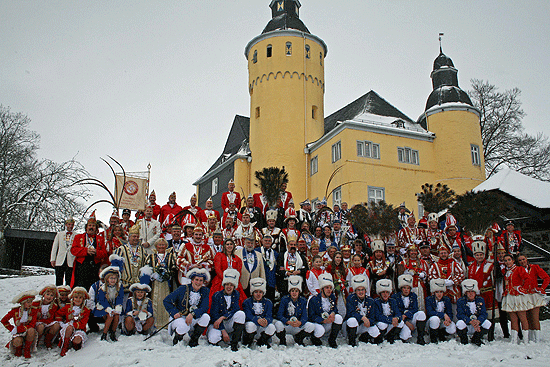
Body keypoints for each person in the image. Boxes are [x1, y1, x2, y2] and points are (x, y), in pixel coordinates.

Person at [164, 268, 211, 347]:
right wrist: (174, 312)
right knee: (184, 327)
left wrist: (192, 314)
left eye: (201, 280)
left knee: (206, 317)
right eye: (196, 279)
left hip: (193, 317)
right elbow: (167, 300)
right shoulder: (182, 289)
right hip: (181, 317)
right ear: (192, 280)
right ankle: (177, 339)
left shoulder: (205, 291)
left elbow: (204, 307)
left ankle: (194, 339)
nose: (198, 282)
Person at [208, 269, 246, 351]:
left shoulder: (236, 294)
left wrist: (223, 317)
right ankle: (222, 339)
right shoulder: (217, 295)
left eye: (231, 285)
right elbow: (214, 314)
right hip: (217, 323)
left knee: (241, 314)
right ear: (224, 285)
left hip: (227, 320)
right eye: (227, 284)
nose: (229, 287)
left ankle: (234, 342)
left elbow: (235, 309)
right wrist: (222, 330)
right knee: (213, 338)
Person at [468, 238, 498, 340]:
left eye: (481, 254)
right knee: (478, 314)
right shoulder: (471, 267)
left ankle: (490, 334)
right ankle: (479, 333)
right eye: (477, 255)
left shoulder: (489, 265)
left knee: (489, 315)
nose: (479, 257)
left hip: (487, 293)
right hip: (476, 295)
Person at [71, 212, 108, 290]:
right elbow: (73, 250)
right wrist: (86, 251)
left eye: (93, 226)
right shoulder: (78, 237)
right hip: (81, 266)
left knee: (93, 287)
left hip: (94, 267)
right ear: (86, 227)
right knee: (80, 286)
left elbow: (104, 253)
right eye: (90, 225)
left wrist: (96, 252)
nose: (91, 227)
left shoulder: (100, 239)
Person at [274, 276, 315, 346]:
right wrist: (287, 321)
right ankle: (282, 340)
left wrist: (300, 322)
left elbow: (305, 316)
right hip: (287, 324)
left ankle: (299, 338)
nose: (294, 293)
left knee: (311, 326)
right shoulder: (284, 299)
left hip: (297, 325)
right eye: (292, 291)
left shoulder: (303, 300)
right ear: (289, 292)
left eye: (296, 291)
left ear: (299, 292)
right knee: (278, 324)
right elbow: (279, 315)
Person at [518, 254, 550, 343]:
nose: (522, 261)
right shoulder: (517, 270)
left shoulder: (534, 267)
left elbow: (546, 278)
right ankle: (529, 337)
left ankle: (537, 338)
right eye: (520, 260)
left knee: (534, 317)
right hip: (523, 295)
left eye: (523, 259)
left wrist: (542, 288)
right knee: (526, 317)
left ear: (526, 259)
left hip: (533, 295)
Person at [147, 238, 178, 328]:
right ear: (156, 246)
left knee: (166, 300)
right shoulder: (151, 256)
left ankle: (165, 322)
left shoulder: (170, 256)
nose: (161, 246)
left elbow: (174, 267)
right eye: (159, 245)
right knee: (155, 300)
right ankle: (155, 322)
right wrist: (153, 274)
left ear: (166, 246)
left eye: (163, 245)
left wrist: (168, 274)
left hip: (166, 284)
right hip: (155, 283)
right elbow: (147, 267)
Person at [307, 273, 343, 347]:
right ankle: (314, 338)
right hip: (318, 323)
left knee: (339, 318)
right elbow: (311, 316)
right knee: (320, 330)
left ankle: (332, 339)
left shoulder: (332, 297)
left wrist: (333, 313)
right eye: (327, 288)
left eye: (330, 288)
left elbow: (335, 309)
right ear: (322, 289)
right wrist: (322, 320)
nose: (329, 290)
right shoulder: (314, 299)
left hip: (328, 322)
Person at [501, 254, 531, 344]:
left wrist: (521, 288)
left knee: (522, 317)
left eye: (509, 260)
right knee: (513, 319)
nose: (507, 262)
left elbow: (527, 279)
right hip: (509, 296)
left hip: (518, 296)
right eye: (505, 261)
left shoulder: (519, 269)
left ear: (513, 260)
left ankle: (525, 340)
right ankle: (514, 339)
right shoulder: (506, 271)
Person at [209, 238, 247, 306]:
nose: (229, 246)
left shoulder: (237, 259)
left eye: (231, 244)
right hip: (221, 281)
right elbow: (218, 270)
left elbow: (239, 272)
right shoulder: (219, 255)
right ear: (224, 246)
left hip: (234, 282)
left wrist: (233, 281)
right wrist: (226, 280)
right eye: (227, 244)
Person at [345, 274, 380, 346]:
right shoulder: (350, 298)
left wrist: (369, 321)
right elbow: (350, 313)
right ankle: (352, 340)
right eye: (358, 290)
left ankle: (364, 338)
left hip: (363, 324)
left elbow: (373, 316)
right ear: (355, 291)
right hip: (352, 325)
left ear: (365, 290)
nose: (361, 292)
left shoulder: (370, 300)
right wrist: (362, 317)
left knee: (375, 331)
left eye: (362, 290)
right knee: (352, 320)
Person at [2, 290, 38, 358]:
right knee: (17, 340)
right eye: (28, 302)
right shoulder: (15, 311)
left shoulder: (33, 310)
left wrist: (21, 328)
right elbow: (4, 320)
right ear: (23, 303)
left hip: (27, 330)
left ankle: (27, 349)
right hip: (18, 332)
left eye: (31, 302)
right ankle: (18, 350)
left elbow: (32, 324)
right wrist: (12, 328)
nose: (30, 304)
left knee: (31, 330)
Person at [392, 274, 427, 344]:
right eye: (404, 288)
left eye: (408, 288)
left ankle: (420, 337)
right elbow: (396, 311)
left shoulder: (413, 296)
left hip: (410, 317)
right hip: (401, 320)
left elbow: (415, 309)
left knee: (421, 314)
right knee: (405, 335)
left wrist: (406, 315)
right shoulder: (395, 297)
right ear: (401, 288)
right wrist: (406, 322)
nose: (406, 290)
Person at [456, 279, 491, 346]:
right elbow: (460, 314)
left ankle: (476, 338)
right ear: (465, 293)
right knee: (459, 323)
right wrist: (470, 321)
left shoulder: (480, 300)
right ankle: (464, 339)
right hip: (467, 324)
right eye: (468, 292)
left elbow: (484, 313)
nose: (471, 294)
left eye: (472, 291)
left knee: (487, 323)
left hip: (477, 325)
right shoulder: (460, 301)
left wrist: (478, 321)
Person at [57, 287, 91, 356]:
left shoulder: (86, 310)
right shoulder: (68, 307)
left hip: (79, 329)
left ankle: (74, 344)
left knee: (77, 340)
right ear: (73, 298)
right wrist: (61, 323)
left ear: (83, 299)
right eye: (76, 297)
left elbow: (83, 324)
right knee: (69, 328)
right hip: (68, 328)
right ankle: (65, 347)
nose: (77, 299)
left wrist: (74, 324)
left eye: (80, 297)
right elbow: (58, 314)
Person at [242, 278, 276, 348]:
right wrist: (257, 320)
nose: (258, 294)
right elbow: (248, 315)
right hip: (252, 324)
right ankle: (249, 340)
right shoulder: (247, 302)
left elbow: (269, 315)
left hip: (262, 326)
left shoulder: (268, 302)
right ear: (252, 293)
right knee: (250, 325)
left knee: (272, 327)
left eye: (260, 292)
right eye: (256, 292)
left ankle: (263, 341)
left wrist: (266, 321)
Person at [95, 265, 125, 341]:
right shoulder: (103, 288)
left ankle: (113, 332)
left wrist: (118, 306)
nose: (113, 280)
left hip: (114, 305)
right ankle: (104, 333)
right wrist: (108, 308)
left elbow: (120, 297)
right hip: (104, 307)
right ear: (107, 279)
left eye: (115, 278)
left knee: (117, 315)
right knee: (110, 315)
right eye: (111, 278)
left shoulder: (119, 287)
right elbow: (102, 300)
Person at [115, 224, 148, 290]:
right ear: (129, 238)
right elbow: (116, 266)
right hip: (125, 283)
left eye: (137, 237)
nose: (136, 238)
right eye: (134, 236)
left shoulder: (142, 250)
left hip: (138, 284)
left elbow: (145, 264)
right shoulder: (121, 249)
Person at [123, 267, 155, 336]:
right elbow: (126, 312)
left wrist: (147, 313)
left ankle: (144, 330)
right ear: (135, 293)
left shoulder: (148, 301)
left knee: (151, 319)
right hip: (133, 319)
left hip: (143, 319)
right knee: (128, 319)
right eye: (138, 292)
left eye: (142, 292)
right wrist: (133, 313)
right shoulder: (130, 300)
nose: (140, 294)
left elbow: (151, 312)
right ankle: (130, 330)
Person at [398, 243, 428, 312]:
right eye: (411, 251)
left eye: (415, 251)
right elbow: (399, 276)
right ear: (408, 252)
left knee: (420, 303)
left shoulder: (423, 262)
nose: (413, 253)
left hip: (419, 286)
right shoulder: (403, 263)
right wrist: (406, 274)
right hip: (408, 286)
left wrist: (423, 275)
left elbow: (427, 275)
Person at [425, 278, 456, 343]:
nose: (439, 294)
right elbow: (430, 312)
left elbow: (449, 312)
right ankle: (433, 337)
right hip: (432, 321)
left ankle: (441, 334)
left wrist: (448, 320)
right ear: (434, 292)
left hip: (443, 320)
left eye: (441, 292)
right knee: (435, 319)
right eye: (437, 292)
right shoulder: (429, 299)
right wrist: (443, 315)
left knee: (452, 328)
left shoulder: (446, 299)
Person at [373, 279, 404, 344]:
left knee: (401, 323)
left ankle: (391, 336)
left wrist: (397, 318)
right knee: (382, 325)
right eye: (383, 292)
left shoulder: (393, 301)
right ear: (380, 293)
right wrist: (391, 319)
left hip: (391, 321)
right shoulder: (376, 302)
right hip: (381, 322)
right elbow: (378, 316)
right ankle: (379, 337)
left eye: (387, 292)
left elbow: (398, 313)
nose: (385, 294)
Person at [51, 217, 76, 286]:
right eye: (69, 224)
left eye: (72, 225)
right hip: (60, 260)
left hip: (71, 260)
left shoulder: (76, 235)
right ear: (66, 225)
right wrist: (53, 259)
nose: (70, 226)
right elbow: (55, 247)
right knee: (59, 279)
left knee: (69, 280)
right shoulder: (60, 234)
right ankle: (59, 294)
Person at [326, 251, 347, 316]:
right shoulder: (330, 267)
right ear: (334, 258)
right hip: (333, 289)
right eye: (337, 257)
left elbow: (345, 279)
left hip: (342, 289)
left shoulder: (343, 268)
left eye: (340, 258)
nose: (339, 259)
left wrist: (343, 284)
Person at [258, 234, 278, 302]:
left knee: (270, 301)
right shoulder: (257, 251)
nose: (267, 242)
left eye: (269, 241)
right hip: (260, 280)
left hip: (271, 281)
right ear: (262, 241)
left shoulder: (275, 253)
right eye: (266, 241)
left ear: (271, 242)